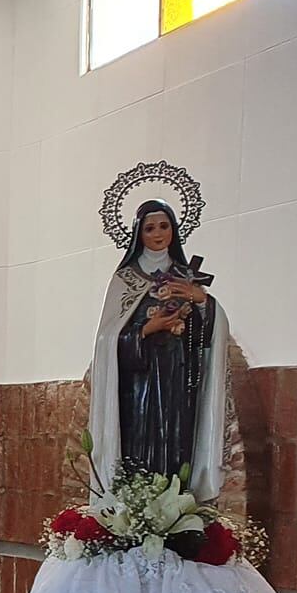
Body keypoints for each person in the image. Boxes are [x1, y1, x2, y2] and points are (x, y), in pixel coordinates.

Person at [87, 199, 230, 500]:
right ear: (138, 234)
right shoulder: (125, 279)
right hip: (137, 387)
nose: (157, 234)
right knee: (139, 444)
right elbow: (106, 341)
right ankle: (137, 507)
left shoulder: (186, 276)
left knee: (175, 441)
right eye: (150, 228)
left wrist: (201, 300)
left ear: (174, 231)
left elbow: (207, 338)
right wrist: (149, 329)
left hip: (177, 378)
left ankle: (173, 506)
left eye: (164, 226)